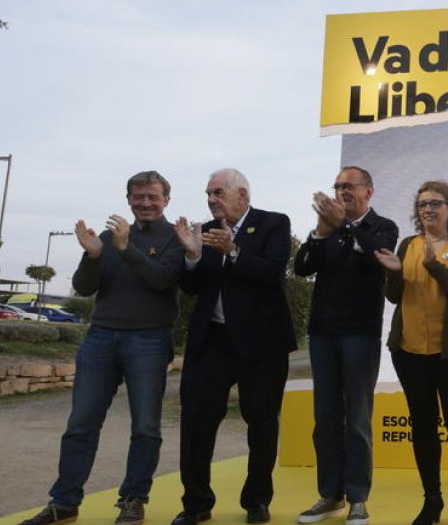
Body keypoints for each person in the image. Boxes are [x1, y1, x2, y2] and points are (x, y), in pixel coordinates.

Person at [20, 171, 183, 525]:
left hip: (149, 339)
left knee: (145, 427)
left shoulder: (174, 237)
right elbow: (82, 288)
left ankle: (133, 499)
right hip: (101, 338)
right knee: (81, 424)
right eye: (138, 197)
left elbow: (163, 279)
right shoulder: (108, 237)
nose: (145, 203)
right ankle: (64, 502)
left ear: (166, 200)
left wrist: (126, 249)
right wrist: (93, 256)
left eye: (152, 197)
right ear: (128, 199)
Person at [171, 169, 297, 525]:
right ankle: (196, 504)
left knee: (261, 424)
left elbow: (272, 272)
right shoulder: (206, 231)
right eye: (208, 194)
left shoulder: (273, 223)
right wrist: (193, 256)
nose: (211, 200)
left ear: (242, 194)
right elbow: (193, 287)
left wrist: (235, 250)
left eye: (218, 192)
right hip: (211, 341)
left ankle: (256, 500)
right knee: (196, 422)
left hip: (262, 344)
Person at [293, 166, 399, 525]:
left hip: (359, 334)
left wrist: (345, 226)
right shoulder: (329, 229)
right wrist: (319, 234)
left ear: (368, 191)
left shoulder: (382, 227)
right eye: (337, 186)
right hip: (322, 334)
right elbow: (302, 266)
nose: (341, 192)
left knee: (356, 419)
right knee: (325, 419)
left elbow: (375, 256)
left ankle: (357, 498)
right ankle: (329, 495)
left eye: (348, 186)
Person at [375, 180, 448, 525]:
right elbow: (394, 296)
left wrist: (435, 265)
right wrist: (392, 273)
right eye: (423, 204)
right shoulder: (407, 244)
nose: (428, 209)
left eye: (436, 203)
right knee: (423, 427)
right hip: (409, 352)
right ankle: (432, 499)